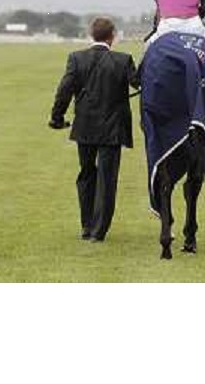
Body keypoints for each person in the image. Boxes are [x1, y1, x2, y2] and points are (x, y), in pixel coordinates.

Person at [49, 17, 139, 242]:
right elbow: (140, 84)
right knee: (107, 180)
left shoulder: (76, 59)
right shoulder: (123, 60)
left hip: (85, 126)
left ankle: (86, 226)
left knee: (87, 175)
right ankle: (98, 231)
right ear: (112, 37)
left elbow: (64, 90)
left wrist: (57, 118)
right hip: (112, 129)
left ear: (92, 35)